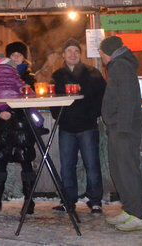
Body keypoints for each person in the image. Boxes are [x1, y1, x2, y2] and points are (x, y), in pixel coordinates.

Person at [0, 41, 40, 215]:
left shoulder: (29, 78)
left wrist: (12, 113)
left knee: (26, 162)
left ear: (24, 58)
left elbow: (31, 101)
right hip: (2, 126)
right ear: (7, 57)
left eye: (19, 55)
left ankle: (29, 202)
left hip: (21, 125)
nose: (15, 57)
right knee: (0, 162)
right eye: (12, 55)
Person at [50, 39, 106, 214]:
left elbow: (102, 97)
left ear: (80, 55)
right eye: (69, 51)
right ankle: (68, 200)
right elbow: (53, 99)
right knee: (67, 165)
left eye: (76, 51)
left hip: (88, 126)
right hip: (66, 126)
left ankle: (95, 200)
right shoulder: (57, 75)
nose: (73, 54)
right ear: (64, 55)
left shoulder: (92, 73)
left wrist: (93, 115)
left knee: (92, 164)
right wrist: (58, 117)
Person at [98, 36, 142, 232]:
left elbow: (127, 100)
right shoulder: (119, 66)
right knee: (120, 170)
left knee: (127, 170)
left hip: (123, 129)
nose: (101, 57)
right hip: (119, 127)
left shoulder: (120, 67)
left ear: (107, 53)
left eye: (101, 53)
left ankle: (137, 214)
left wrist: (122, 129)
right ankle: (130, 209)